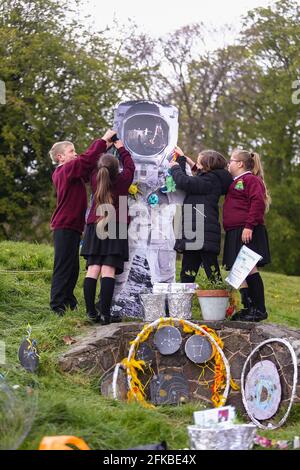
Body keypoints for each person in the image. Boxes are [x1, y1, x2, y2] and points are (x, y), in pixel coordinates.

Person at [49, 130, 116, 315]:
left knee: (72, 267)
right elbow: (85, 160)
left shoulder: (72, 173)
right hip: (64, 225)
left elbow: (88, 169)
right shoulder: (64, 170)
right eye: (71, 151)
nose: (75, 153)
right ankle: (57, 305)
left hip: (73, 227)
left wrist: (106, 150)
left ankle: (69, 301)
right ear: (60, 157)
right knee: (63, 266)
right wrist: (102, 140)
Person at [80, 137, 135, 324]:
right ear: (116, 168)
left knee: (93, 269)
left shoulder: (95, 178)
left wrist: (104, 143)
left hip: (95, 225)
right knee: (108, 270)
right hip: (116, 225)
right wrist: (121, 148)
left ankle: (90, 313)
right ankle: (105, 314)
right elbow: (130, 167)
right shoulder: (123, 181)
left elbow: (91, 160)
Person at [169, 146, 232, 283]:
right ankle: (183, 304)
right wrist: (182, 159)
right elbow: (197, 180)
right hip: (195, 232)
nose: (196, 164)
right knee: (187, 273)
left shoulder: (211, 180)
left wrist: (174, 167)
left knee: (212, 273)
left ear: (207, 165)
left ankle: (220, 302)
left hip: (203, 233)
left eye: (198, 162)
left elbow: (185, 182)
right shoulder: (210, 179)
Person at [223, 149, 271, 322]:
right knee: (238, 270)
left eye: (231, 160)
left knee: (248, 267)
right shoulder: (234, 181)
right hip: (234, 231)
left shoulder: (250, 179)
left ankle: (260, 309)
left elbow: (258, 202)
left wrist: (249, 226)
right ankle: (248, 307)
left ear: (240, 164)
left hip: (246, 230)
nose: (229, 164)